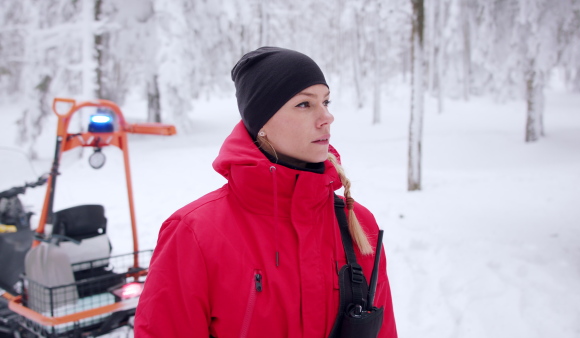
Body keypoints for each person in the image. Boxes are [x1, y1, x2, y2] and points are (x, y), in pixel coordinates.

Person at [135, 46, 397, 337]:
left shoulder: (358, 224)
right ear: (262, 124)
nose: (327, 117)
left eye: (326, 102)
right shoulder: (194, 233)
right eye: (304, 104)